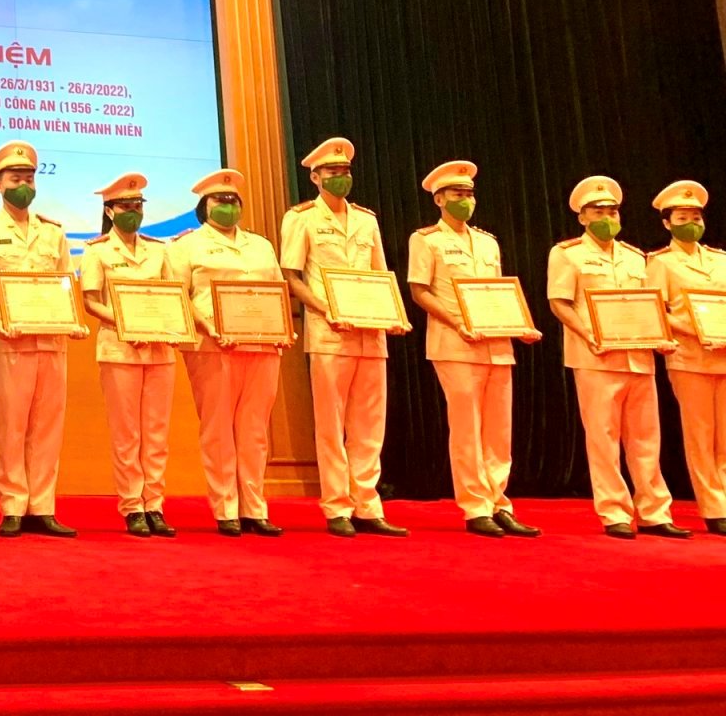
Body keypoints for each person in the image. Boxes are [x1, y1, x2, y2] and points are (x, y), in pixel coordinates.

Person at [547, 175, 688, 539]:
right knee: (603, 437)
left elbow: (650, 306)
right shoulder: (567, 254)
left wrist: (660, 337)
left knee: (646, 438)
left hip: (639, 356)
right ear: (582, 217)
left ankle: (654, 512)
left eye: (612, 211)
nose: (607, 217)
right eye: (598, 211)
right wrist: (588, 334)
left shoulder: (634, 256)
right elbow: (559, 303)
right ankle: (614, 512)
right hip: (595, 357)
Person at [405, 160, 541, 539]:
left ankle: (500, 502)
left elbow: (498, 294)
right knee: (467, 427)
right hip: (455, 344)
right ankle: (475, 506)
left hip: (497, 344)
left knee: (499, 430)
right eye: (457, 193)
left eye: (469, 193)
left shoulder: (487, 241)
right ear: (439, 199)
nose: (465, 199)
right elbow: (419, 291)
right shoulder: (426, 240)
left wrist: (520, 325)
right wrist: (457, 321)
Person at [281, 136, 407, 537]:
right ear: (315, 177)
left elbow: (381, 275)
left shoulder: (367, 220)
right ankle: (337, 506)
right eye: (332, 171)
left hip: (371, 332)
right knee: (331, 424)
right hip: (330, 332)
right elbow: (291, 277)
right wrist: (325, 309)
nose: (341, 177)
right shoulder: (301, 217)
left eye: (345, 171)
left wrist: (394, 316)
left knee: (370, 424)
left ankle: (367, 505)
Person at [167, 169, 288, 537]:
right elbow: (179, 296)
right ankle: (226, 508)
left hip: (262, 345)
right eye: (220, 200)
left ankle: (254, 507)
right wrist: (209, 326)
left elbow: (277, 290)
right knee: (218, 428)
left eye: (234, 200)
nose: (229, 206)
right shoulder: (186, 245)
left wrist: (283, 328)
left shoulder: (260, 245)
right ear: (204, 206)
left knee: (254, 430)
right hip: (212, 346)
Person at [0, 141, 79, 539]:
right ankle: (13, 505)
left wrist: (71, 321)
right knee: (11, 427)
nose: (24, 185)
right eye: (15, 178)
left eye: (29, 178)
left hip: (51, 340)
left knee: (48, 427)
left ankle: (43, 507)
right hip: (9, 340)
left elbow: (65, 284)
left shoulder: (53, 232)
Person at [79, 173, 176, 538]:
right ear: (110, 210)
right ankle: (133, 506)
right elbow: (91, 302)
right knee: (127, 433)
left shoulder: (159, 250)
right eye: (125, 206)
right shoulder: (97, 250)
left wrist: (166, 324)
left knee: (156, 432)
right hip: (119, 349)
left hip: (159, 349)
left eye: (137, 205)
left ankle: (155, 504)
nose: (133, 211)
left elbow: (173, 295)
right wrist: (126, 322)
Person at [647, 180, 725, 536]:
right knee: (701, 434)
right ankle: (714, 507)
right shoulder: (661, 262)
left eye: (696, 217)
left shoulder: (720, 260)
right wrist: (696, 331)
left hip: (724, 353)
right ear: (667, 223)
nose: (691, 223)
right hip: (690, 355)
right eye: (682, 218)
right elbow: (657, 309)